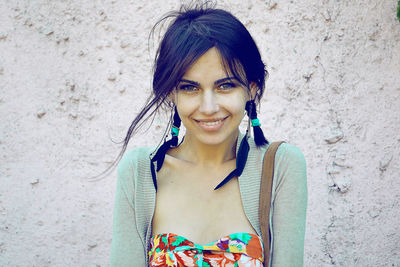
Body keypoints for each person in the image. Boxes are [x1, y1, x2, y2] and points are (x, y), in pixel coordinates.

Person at [110, 2, 307, 266]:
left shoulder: (281, 166)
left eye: (225, 85)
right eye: (190, 87)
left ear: (251, 88)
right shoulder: (140, 173)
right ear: (171, 92)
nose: (209, 107)